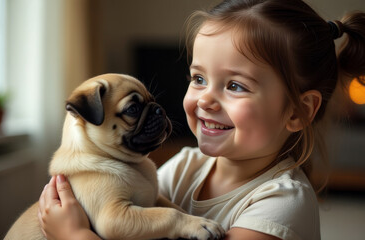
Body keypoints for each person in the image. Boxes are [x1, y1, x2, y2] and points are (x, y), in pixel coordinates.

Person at [37, 0, 365, 239]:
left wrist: (76, 237)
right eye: (198, 79)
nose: (205, 99)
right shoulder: (185, 166)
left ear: (298, 111)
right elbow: (125, 220)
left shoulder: (281, 205)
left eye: (235, 85)